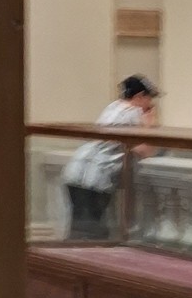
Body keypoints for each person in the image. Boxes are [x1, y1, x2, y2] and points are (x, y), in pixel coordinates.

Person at [62, 75, 158, 240]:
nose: (151, 104)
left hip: (76, 171)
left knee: (79, 228)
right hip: (96, 178)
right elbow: (144, 150)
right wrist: (150, 123)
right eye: (149, 98)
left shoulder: (113, 107)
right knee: (92, 232)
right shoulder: (132, 114)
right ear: (140, 96)